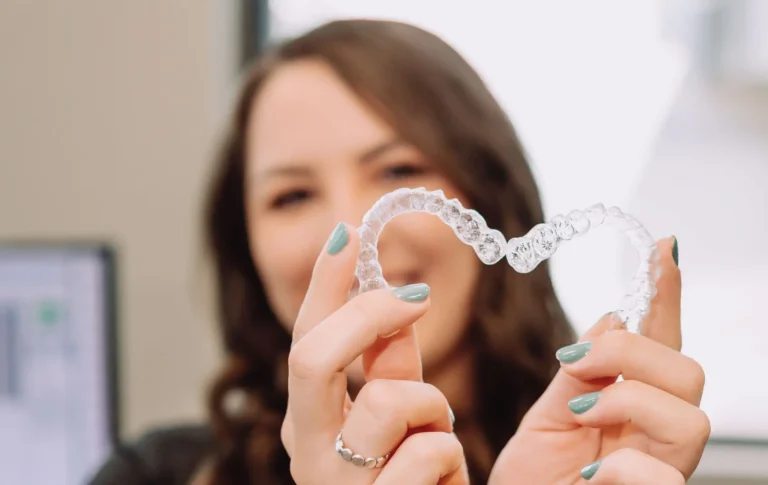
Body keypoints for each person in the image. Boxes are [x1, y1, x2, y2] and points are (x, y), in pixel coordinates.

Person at [90, 19, 709, 485]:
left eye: (396, 171)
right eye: (292, 195)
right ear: (243, 243)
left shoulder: (621, 458)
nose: (353, 229)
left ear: (492, 197)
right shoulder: (154, 473)